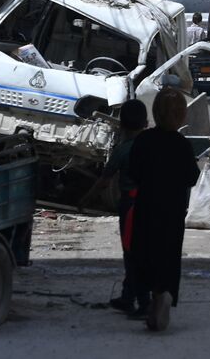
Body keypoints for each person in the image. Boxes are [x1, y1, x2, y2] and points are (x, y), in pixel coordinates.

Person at [126, 89, 200, 332]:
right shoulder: (182, 145)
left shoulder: (143, 140)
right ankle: (165, 293)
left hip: (147, 208)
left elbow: (133, 173)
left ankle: (153, 296)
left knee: (144, 253)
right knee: (168, 255)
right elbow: (192, 177)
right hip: (173, 211)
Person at [83, 99, 149, 316]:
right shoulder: (151, 146)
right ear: (146, 123)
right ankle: (129, 297)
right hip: (151, 204)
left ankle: (142, 303)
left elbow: (104, 179)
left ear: (121, 126)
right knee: (143, 253)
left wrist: (86, 200)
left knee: (131, 254)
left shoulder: (122, 151)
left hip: (130, 206)